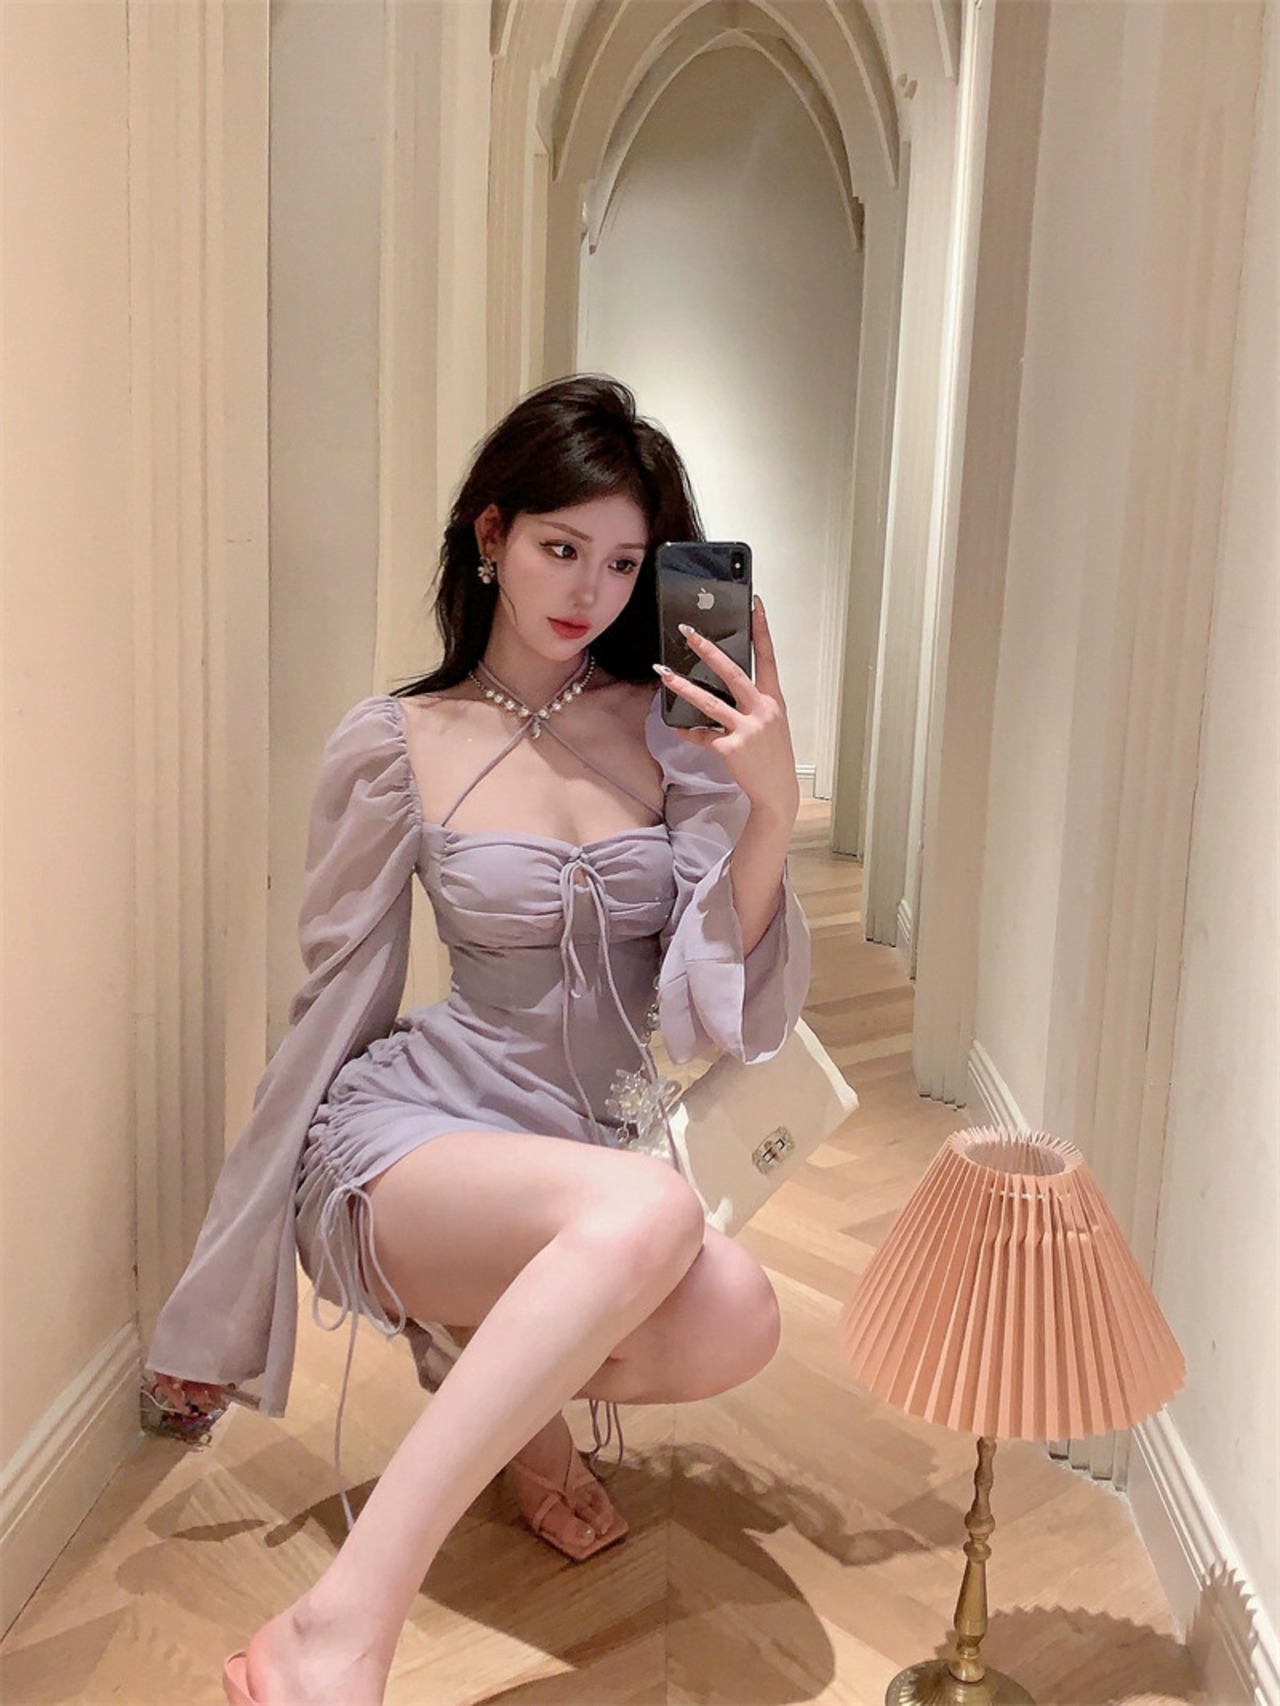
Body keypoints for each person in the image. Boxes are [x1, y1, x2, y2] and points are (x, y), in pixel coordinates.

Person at [143, 374, 810, 1705]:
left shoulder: (676, 744)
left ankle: (493, 1362)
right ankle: (338, 1625)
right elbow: (333, 1005)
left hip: (587, 1163)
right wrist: (224, 1289)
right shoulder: (398, 742)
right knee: (646, 1217)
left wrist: (772, 813)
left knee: (742, 1312)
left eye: (624, 563)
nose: (591, 592)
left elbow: (707, 1008)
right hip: (417, 1137)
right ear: (491, 534)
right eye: (562, 547)